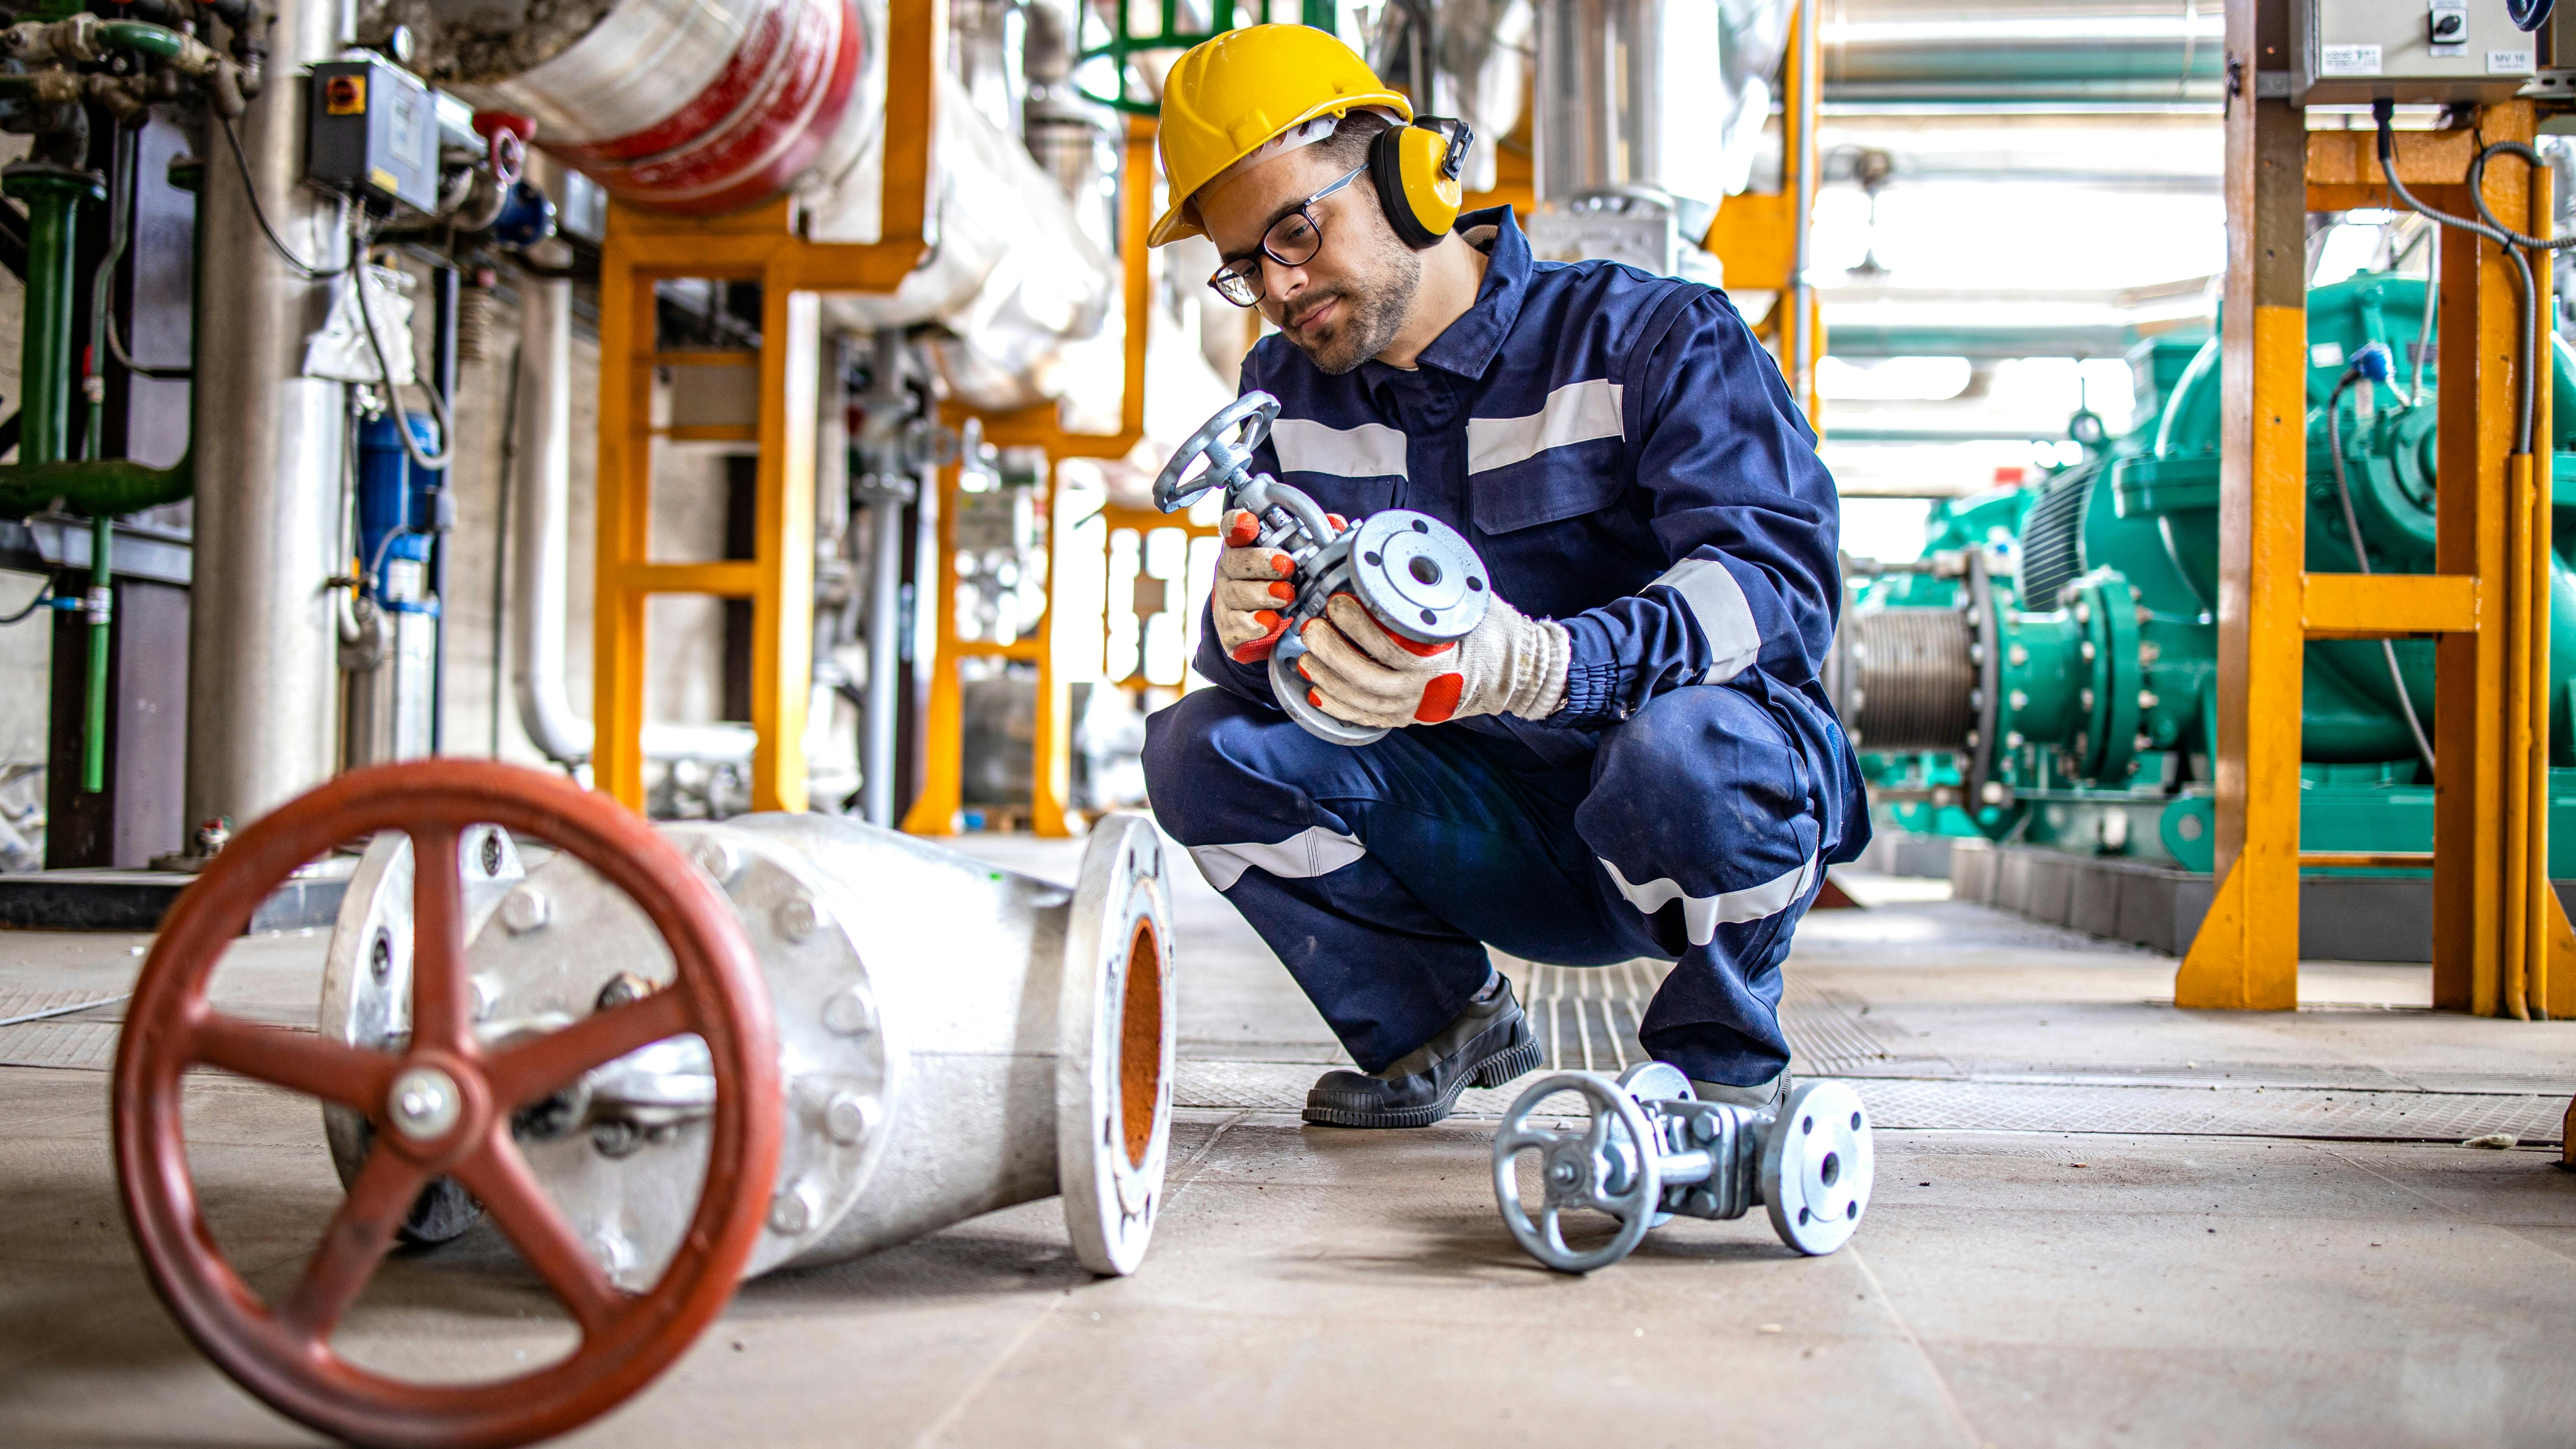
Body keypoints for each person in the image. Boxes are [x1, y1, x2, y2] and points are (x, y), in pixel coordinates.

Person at [1138, 24, 1866, 1129]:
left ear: (1404, 174)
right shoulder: (1290, 391)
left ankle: (1718, 1058)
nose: (1280, 288)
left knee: (1685, 754)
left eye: (1296, 229)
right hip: (1488, 829)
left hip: (1681, 810)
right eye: (1247, 266)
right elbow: (1279, 694)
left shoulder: (1651, 338)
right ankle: (1438, 1021)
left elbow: (1776, 583)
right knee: (1201, 753)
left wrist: (1544, 664)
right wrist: (1241, 629)